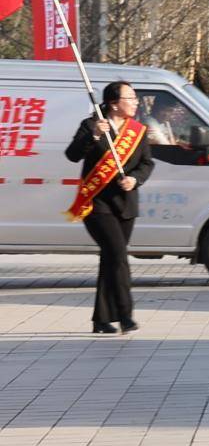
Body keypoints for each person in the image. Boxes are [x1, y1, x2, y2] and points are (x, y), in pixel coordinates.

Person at [66, 81, 154, 335]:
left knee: (110, 259)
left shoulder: (138, 131)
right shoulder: (92, 125)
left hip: (126, 204)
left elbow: (147, 163)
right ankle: (125, 315)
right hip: (97, 203)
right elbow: (72, 155)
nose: (136, 102)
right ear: (114, 103)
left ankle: (101, 319)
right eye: (131, 98)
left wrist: (135, 179)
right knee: (118, 256)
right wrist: (93, 135)